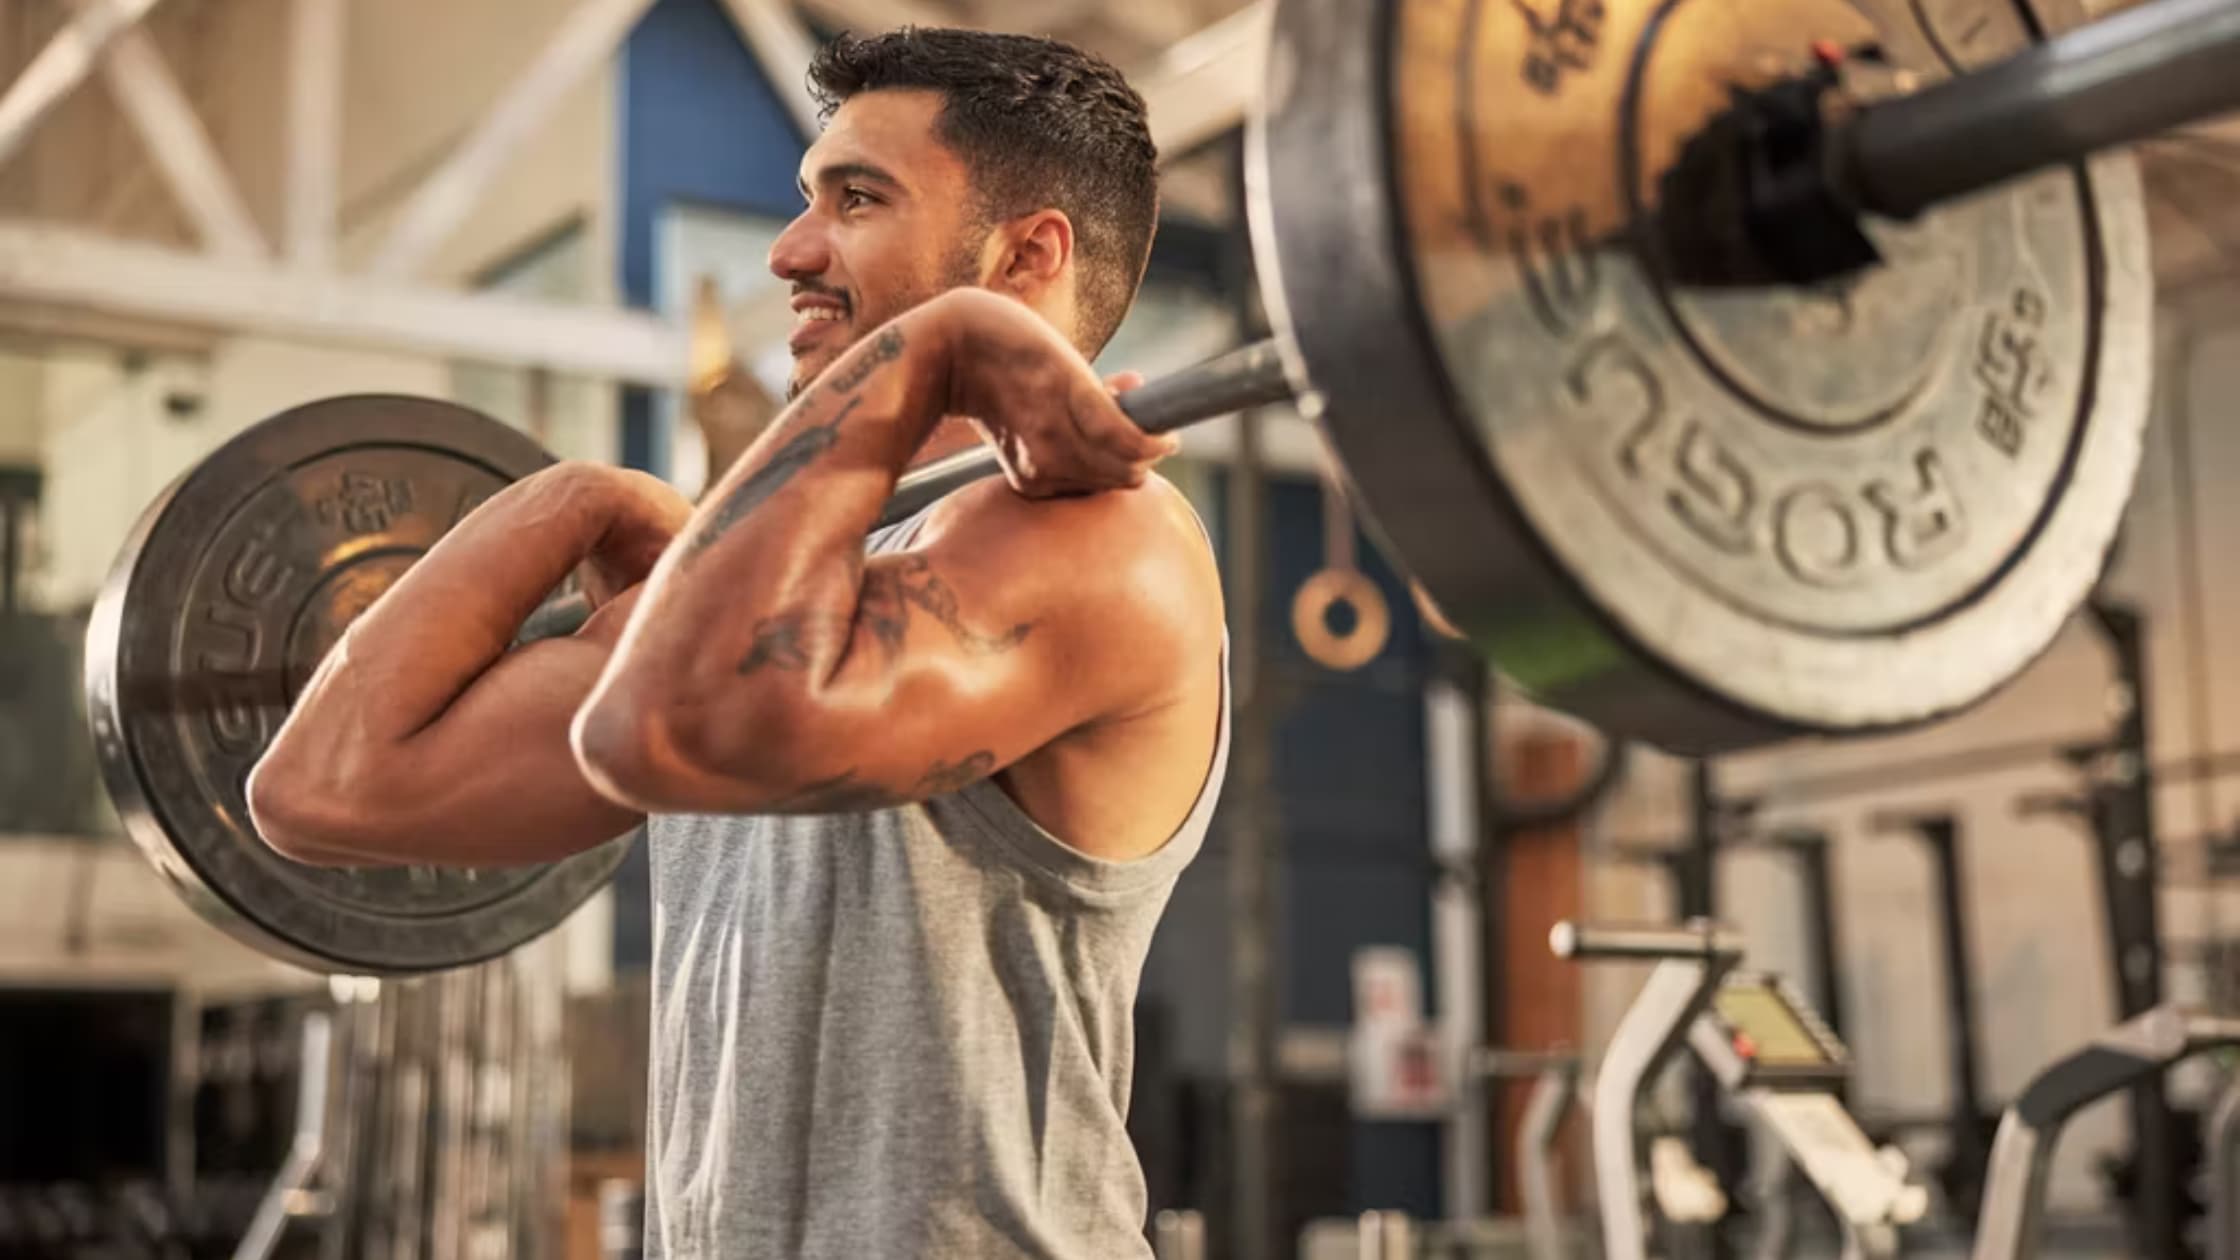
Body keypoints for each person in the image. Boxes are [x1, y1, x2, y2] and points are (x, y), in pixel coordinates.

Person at [247, 26, 1230, 1260]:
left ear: (1025, 255)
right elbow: (321, 789)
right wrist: (573, 500)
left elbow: (667, 726)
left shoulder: (1100, 540)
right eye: (807, 199)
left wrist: (930, 349)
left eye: (856, 200)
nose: (789, 250)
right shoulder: (741, 598)